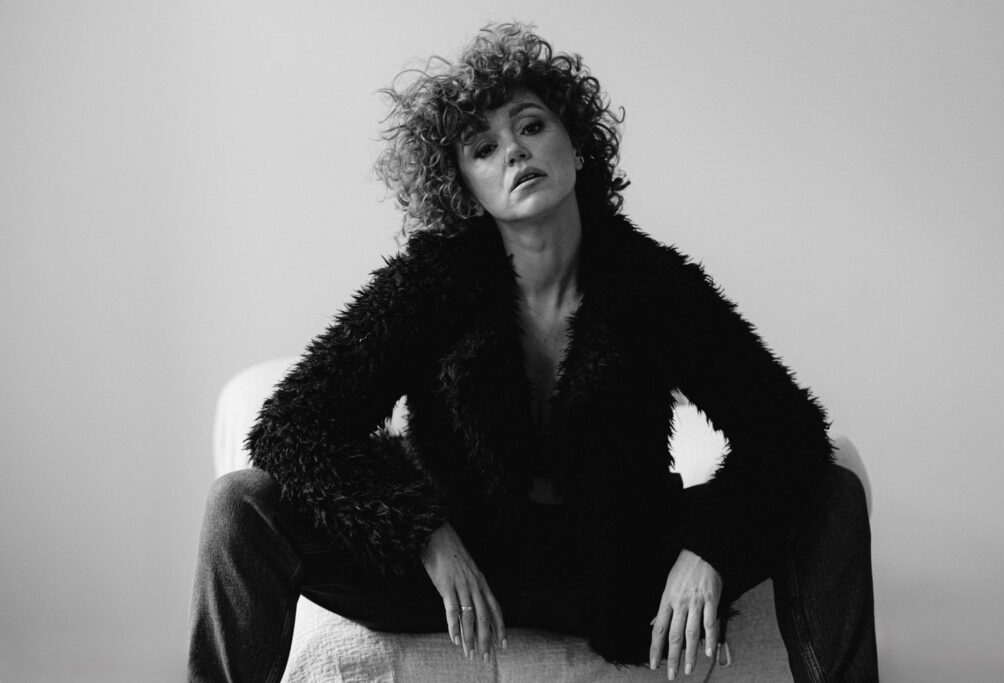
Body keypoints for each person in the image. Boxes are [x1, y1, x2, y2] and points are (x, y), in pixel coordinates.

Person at [188, 22, 878, 682]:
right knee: (240, 502)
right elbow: (291, 426)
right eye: (483, 148)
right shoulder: (429, 285)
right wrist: (424, 533)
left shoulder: (655, 287)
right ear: (465, 188)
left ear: (575, 146)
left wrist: (709, 552)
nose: (514, 152)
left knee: (835, 493)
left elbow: (789, 431)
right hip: (461, 568)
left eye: (531, 126)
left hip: (614, 568)